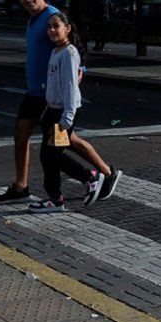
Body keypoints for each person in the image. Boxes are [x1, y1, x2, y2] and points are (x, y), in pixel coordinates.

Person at [29, 12, 122, 211]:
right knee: (48, 156)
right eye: (49, 27)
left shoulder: (69, 54)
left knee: (52, 155)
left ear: (67, 28)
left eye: (56, 26)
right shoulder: (57, 51)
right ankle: (55, 198)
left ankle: (89, 178)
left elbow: (71, 88)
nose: (52, 30)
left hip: (63, 113)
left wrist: (67, 118)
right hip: (53, 111)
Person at [0, 0, 61, 203]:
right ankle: (20, 187)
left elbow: (71, 43)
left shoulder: (52, 16)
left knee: (65, 141)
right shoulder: (33, 19)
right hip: (34, 92)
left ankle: (102, 174)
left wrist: (81, 69)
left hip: (51, 94)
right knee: (21, 134)